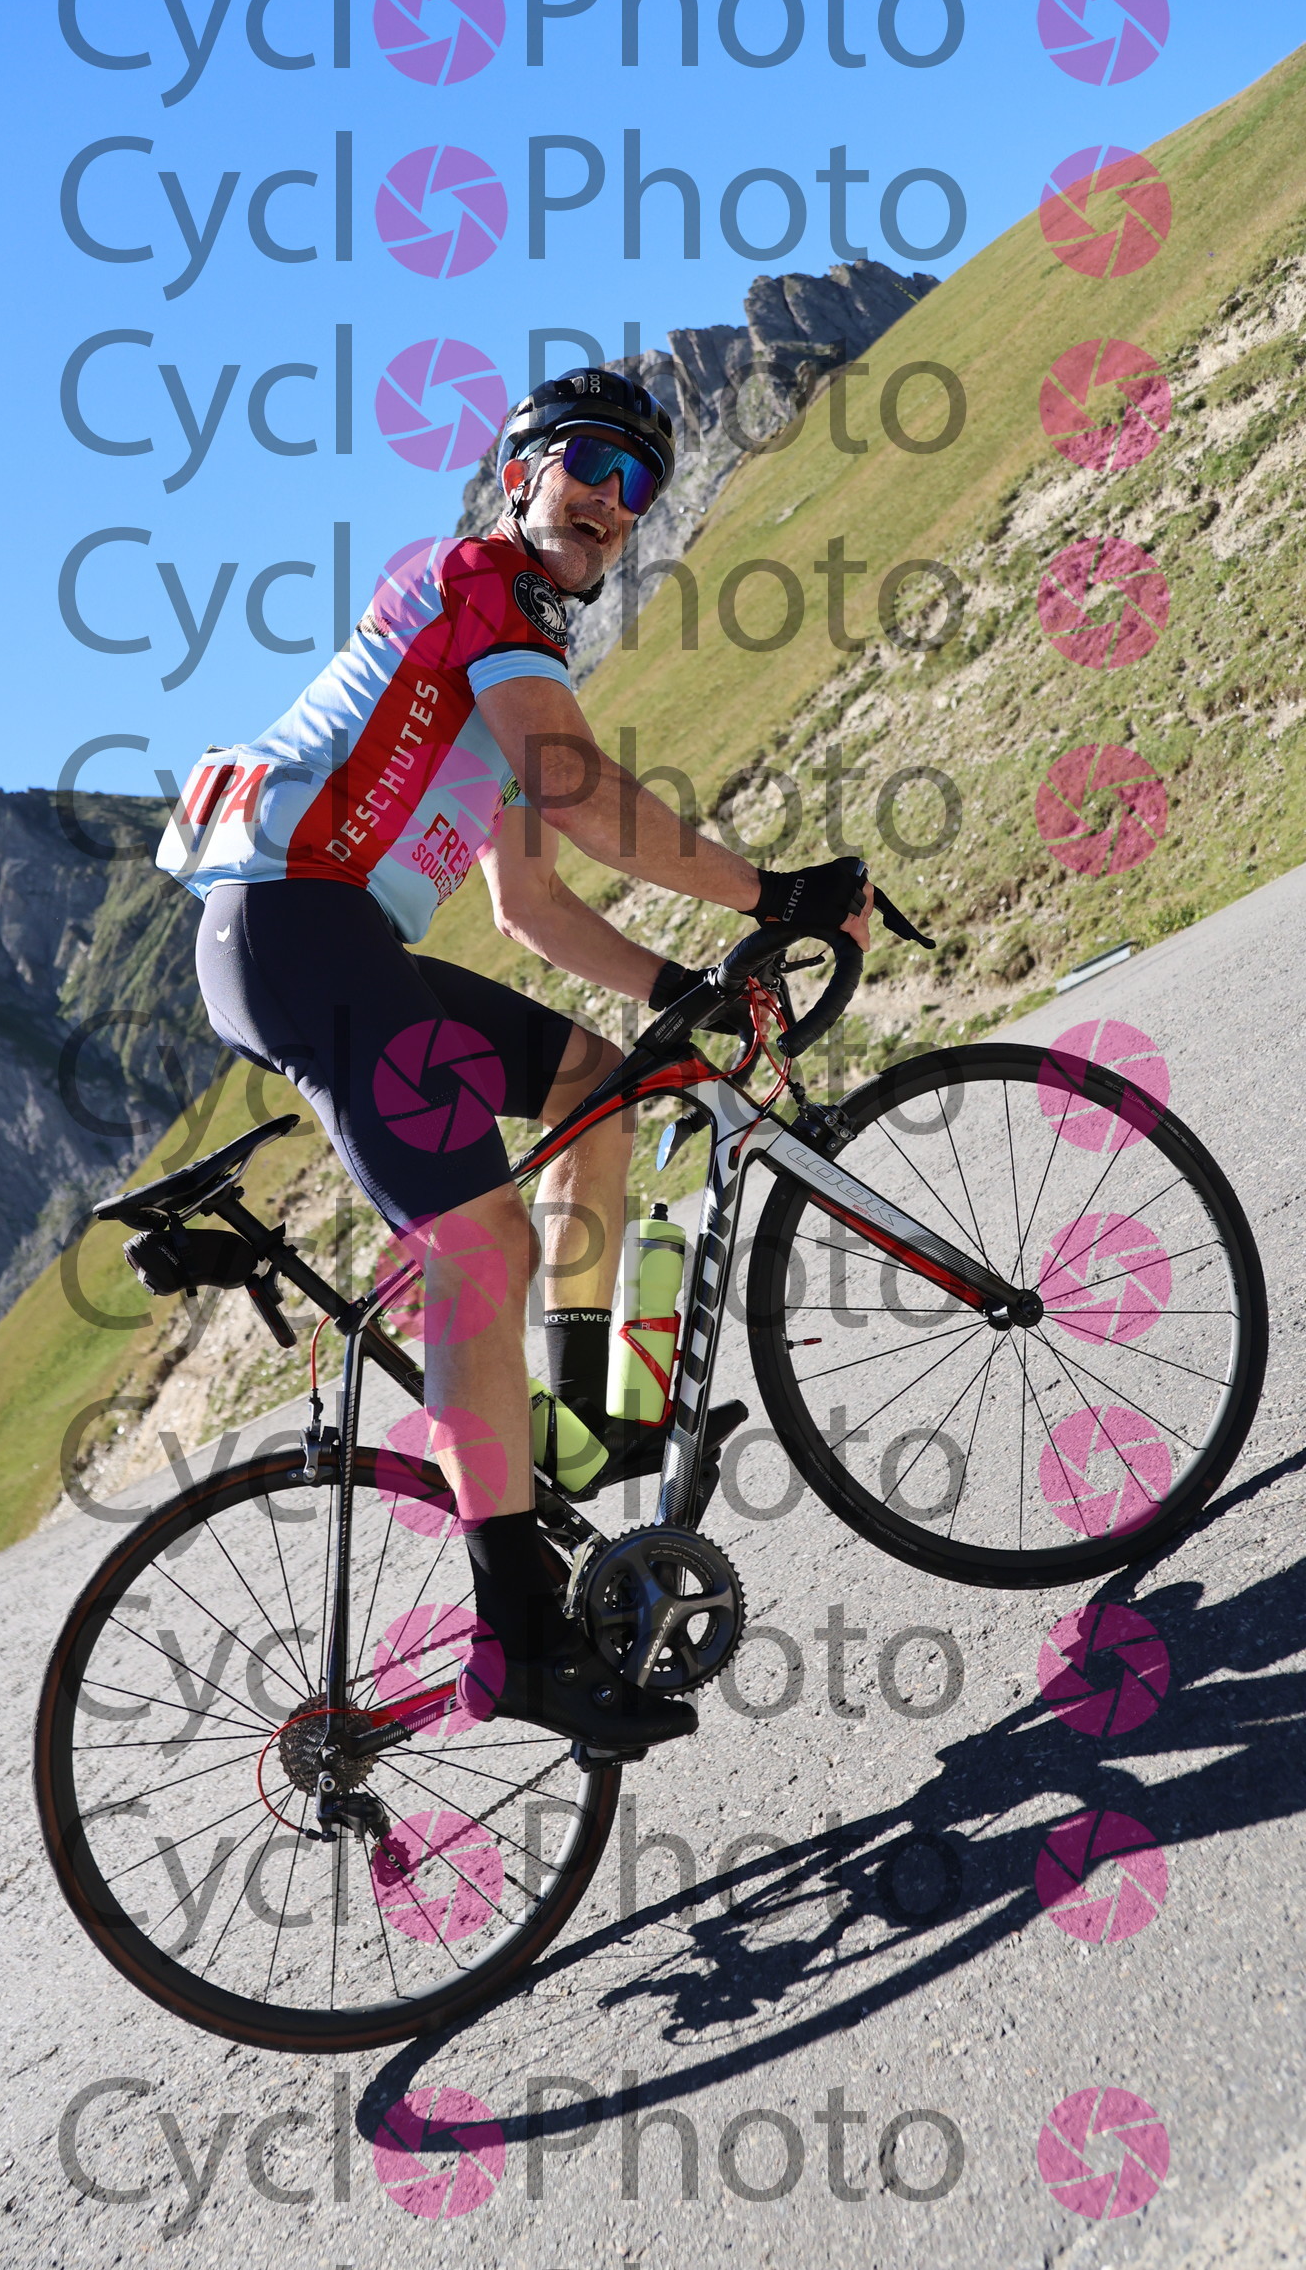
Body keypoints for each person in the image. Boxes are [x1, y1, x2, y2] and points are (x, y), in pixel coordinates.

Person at [159, 370, 875, 1750]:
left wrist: (682, 990)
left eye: (639, 482)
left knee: (600, 1086)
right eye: (588, 462)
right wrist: (774, 894)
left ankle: (577, 1419)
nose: (612, 498)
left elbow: (531, 904)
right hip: (292, 926)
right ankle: (520, 1633)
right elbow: (582, 791)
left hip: (331, 938)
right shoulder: (475, 584)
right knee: (480, 1238)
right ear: (520, 477)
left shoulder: (510, 662)